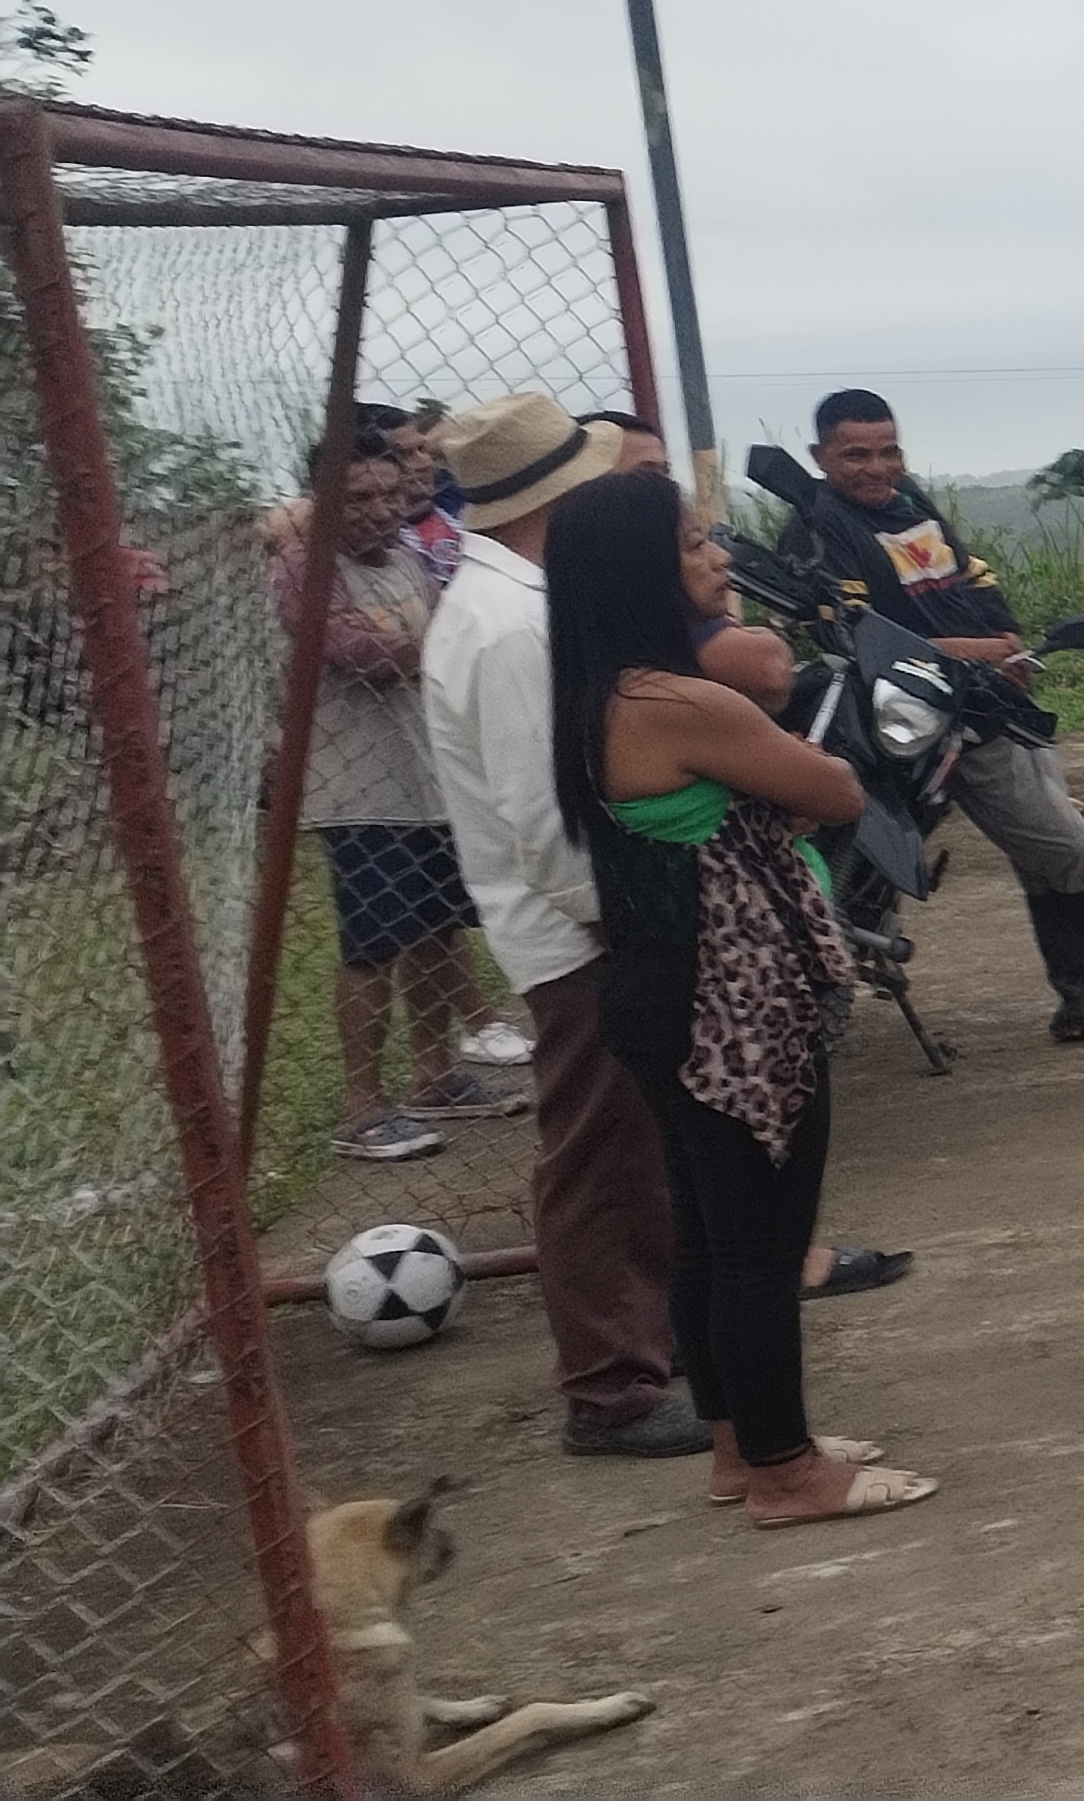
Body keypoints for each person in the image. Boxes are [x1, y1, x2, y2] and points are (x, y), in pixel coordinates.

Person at [547, 468, 937, 1529]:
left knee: (712, 1238)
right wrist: (785, 771)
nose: (719, 556)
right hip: (732, 1001)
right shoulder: (678, 702)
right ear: (642, 572)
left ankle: (741, 1446)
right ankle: (784, 1471)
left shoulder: (596, 694)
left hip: (659, 989)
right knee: (764, 1245)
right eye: (693, 543)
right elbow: (836, 789)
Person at [421, 392, 705, 1457]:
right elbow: (544, 820)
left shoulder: (510, 604)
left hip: (578, 920)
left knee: (635, 1140)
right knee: (598, 1151)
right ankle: (609, 1385)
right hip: (577, 930)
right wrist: (626, 921)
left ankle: (650, 1340)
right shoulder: (508, 626)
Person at [787, 390, 1084, 1040]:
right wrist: (981, 651)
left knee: (1042, 847)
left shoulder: (910, 501)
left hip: (994, 699)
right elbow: (854, 634)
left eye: (888, 451)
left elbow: (974, 575)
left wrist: (1006, 639)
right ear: (819, 456)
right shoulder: (820, 528)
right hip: (933, 718)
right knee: (1065, 845)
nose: (877, 467)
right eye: (856, 455)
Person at [282, 425, 520, 1163]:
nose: (380, 510)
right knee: (372, 945)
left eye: (389, 494)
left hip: (427, 779)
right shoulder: (305, 569)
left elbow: (435, 646)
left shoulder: (407, 562)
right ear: (320, 499)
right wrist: (450, 642)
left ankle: (435, 1075)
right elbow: (361, 654)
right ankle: (361, 1108)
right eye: (357, 498)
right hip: (358, 789)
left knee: (438, 931)